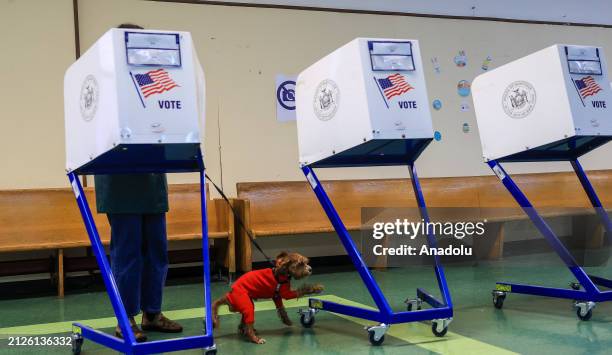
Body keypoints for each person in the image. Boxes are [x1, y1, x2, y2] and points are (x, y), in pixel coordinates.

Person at [94, 23, 182, 343]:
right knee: (127, 253)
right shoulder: (106, 83)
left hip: (151, 179)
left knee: (157, 251)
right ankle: (125, 317)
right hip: (119, 181)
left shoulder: (156, 79)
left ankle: (153, 313)